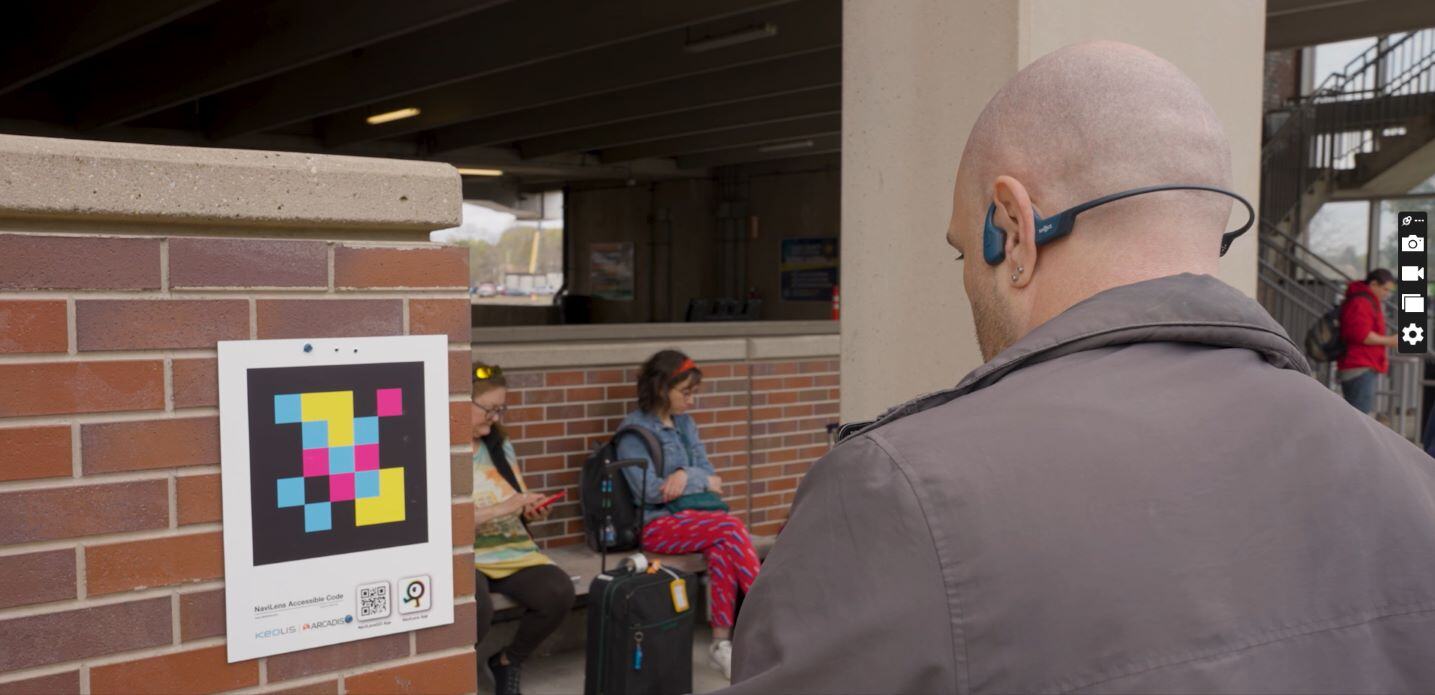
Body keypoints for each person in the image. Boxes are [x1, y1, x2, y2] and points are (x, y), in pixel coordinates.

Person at [725, 42, 1435, 693]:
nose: (968, 280)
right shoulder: (1411, 484)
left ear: (1012, 227)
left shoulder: (899, 494)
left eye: (960, 252)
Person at [616, 349, 762, 681]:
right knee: (730, 527)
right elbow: (649, 491)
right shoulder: (634, 432)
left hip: (695, 520)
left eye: (694, 393)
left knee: (724, 546)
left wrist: (684, 475)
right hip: (657, 525)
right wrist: (697, 478)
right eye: (685, 392)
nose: (691, 400)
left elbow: (713, 479)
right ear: (661, 388)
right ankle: (770, 611)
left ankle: (721, 645)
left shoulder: (685, 424)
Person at [470, 363, 574, 695]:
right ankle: (453, 673)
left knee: (558, 591)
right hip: (467, 554)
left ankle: (507, 662)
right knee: (475, 608)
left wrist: (530, 510)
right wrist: (502, 508)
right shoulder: (439, 451)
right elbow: (442, 522)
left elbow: (515, 498)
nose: (496, 417)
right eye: (490, 409)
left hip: (511, 548)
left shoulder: (499, 446)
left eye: (501, 409)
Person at [1337, 268, 1397, 414]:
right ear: (1374, 284)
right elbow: (1362, 335)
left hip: (1361, 365)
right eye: (1385, 289)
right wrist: (1390, 340)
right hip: (1359, 365)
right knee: (1360, 419)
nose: (1387, 294)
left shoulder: (1364, 300)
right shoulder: (1362, 302)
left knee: (1359, 417)